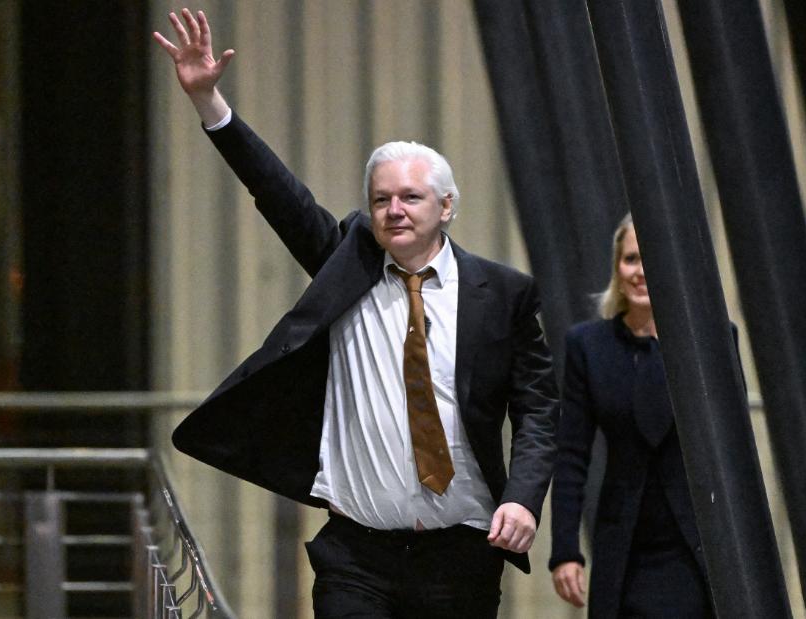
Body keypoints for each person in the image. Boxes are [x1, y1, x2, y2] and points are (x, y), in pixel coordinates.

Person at [154, 9, 559, 618]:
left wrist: (525, 500)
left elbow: (539, 411)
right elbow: (279, 194)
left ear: (446, 206)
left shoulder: (502, 293)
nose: (394, 211)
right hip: (355, 557)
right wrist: (211, 104)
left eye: (411, 197)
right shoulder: (349, 264)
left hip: (462, 554)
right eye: (381, 200)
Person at [549, 214, 713, 618]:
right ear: (617, 267)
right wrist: (564, 550)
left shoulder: (710, 339)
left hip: (694, 545)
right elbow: (571, 453)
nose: (641, 272)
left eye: (652, 259)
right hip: (623, 544)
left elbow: (730, 452)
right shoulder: (588, 345)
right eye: (631, 259)